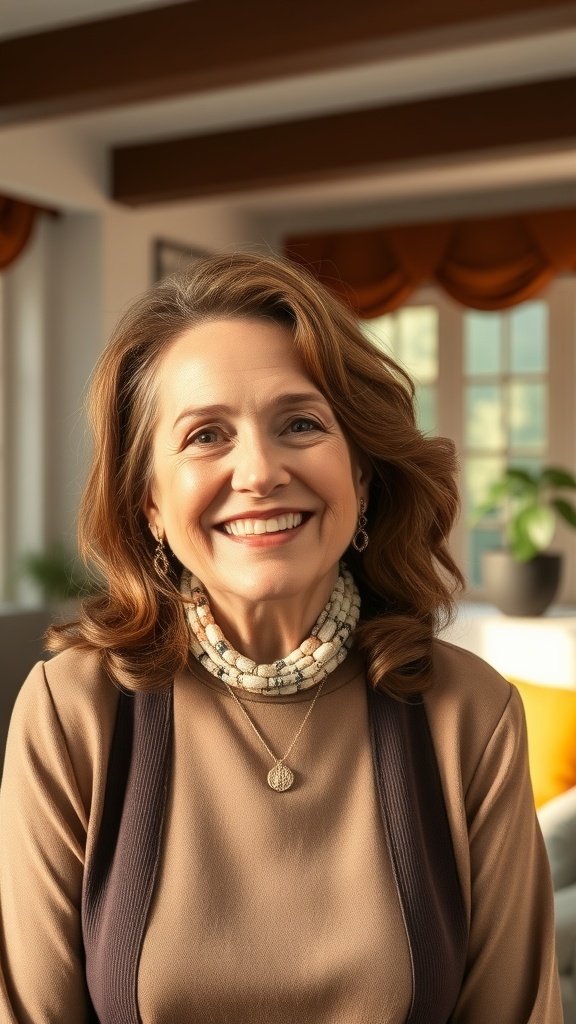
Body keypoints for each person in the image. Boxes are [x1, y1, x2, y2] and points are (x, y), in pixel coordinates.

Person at [0, 252, 562, 1023]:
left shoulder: (469, 713)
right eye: (206, 435)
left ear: (360, 474)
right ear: (150, 503)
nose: (259, 472)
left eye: (300, 423)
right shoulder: (73, 712)